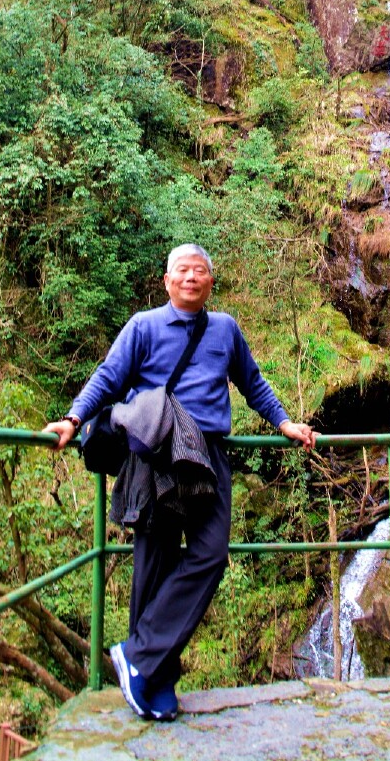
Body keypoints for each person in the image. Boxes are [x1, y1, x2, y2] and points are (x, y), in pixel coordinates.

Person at [44, 243, 317, 722]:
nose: (191, 278)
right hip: (159, 451)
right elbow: (109, 377)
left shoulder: (226, 329)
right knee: (155, 562)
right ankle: (156, 680)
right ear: (166, 281)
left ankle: (138, 657)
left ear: (211, 281)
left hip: (209, 454)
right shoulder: (144, 326)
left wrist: (284, 423)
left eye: (200, 272)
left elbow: (251, 382)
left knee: (211, 554)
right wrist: (73, 417)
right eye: (182, 272)